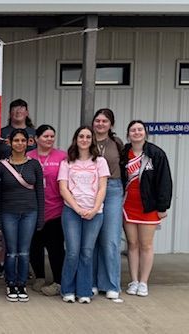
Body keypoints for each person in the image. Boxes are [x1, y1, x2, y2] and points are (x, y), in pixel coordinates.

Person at [121, 120, 172, 297]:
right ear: (128, 134)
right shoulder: (124, 153)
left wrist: (162, 205)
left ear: (145, 133)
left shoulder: (156, 153)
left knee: (146, 245)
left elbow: (164, 181)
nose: (136, 132)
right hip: (128, 205)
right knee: (132, 245)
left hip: (148, 207)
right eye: (133, 130)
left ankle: (144, 282)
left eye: (140, 130)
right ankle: (134, 280)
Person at [0, 98, 36, 279]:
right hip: (2, 185)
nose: (18, 112)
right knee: (1, 228)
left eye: (22, 109)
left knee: (25, 230)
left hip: (27, 187)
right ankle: (0, 262)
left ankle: (24, 264)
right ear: (9, 113)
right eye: (14, 109)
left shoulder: (34, 134)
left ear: (27, 112)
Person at [58, 126, 109, 304]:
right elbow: (63, 188)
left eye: (88, 136)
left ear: (92, 140)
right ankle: (68, 290)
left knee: (87, 252)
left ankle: (84, 290)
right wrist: (77, 208)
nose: (84, 139)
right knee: (72, 252)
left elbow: (103, 187)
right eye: (81, 136)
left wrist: (95, 209)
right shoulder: (67, 162)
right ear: (76, 139)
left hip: (95, 212)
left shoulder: (100, 162)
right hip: (72, 211)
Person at [0, 128, 44, 302]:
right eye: (16, 140)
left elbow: (39, 192)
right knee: (11, 252)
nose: (20, 144)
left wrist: (40, 217)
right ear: (10, 142)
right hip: (9, 213)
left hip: (30, 212)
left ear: (28, 142)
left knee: (24, 251)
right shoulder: (1, 166)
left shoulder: (34, 165)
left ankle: (21, 283)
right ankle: (10, 283)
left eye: (23, 140)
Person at [27, 125, 67, 296]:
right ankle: (40, 277)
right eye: (45, 136)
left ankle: (59, 281)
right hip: (34, 210)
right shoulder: (29, 157)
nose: (49, 139)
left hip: (56, 209)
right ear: (36, 138)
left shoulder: (62, 156)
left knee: (56, 248)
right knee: (34, 246)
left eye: (52, 136)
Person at [91, 108, 124, 299]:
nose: (101, 124)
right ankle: (93, 282)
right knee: (92, 239)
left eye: (105, 121)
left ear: (111, 124)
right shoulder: (86, 140)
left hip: (112, 189)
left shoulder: (117, 143)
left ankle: (111, 284)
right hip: (90, 190)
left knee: (110, 239)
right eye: (98, 120)